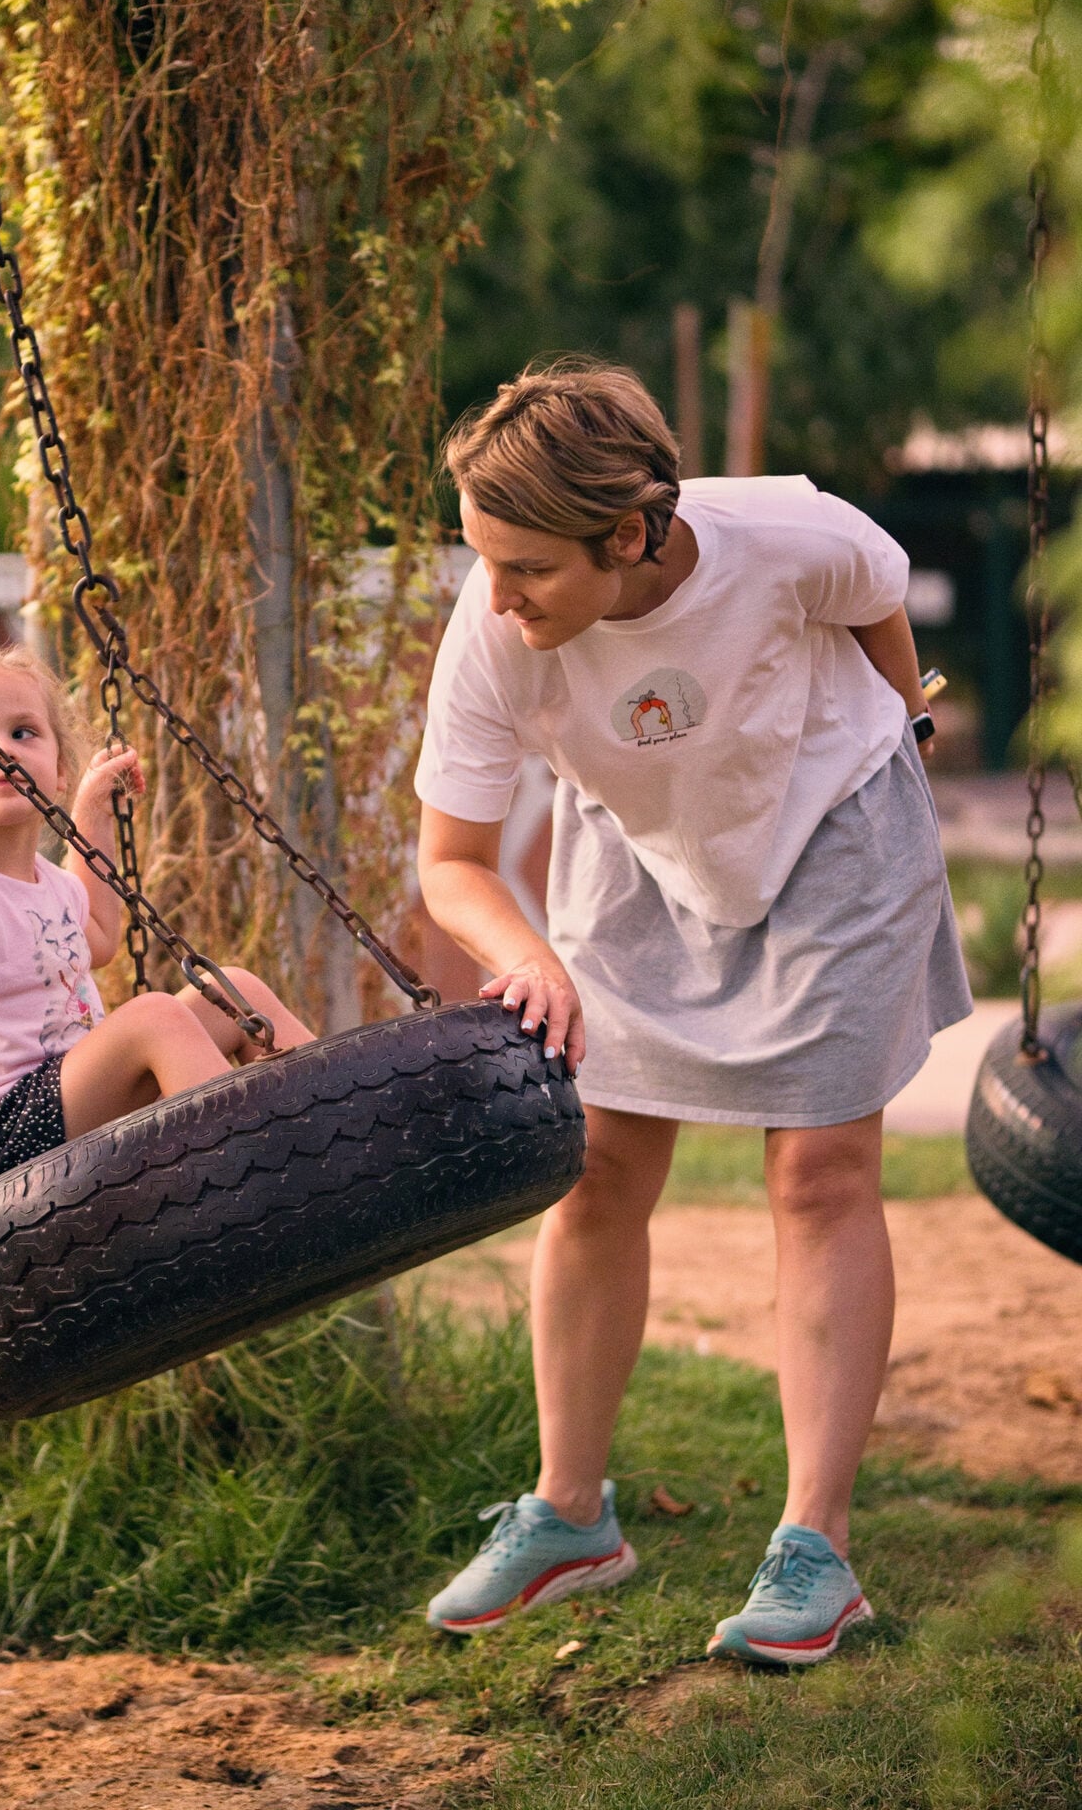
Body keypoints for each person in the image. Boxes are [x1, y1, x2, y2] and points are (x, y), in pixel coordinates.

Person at [414, 358, 970, 1666]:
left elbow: (879, 593)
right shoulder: (496, 626)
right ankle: (568, 1515)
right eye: (483, 561)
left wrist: (900, 730)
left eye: (528, 568)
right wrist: (529, 957)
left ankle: (815, 1549)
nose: (496, 595)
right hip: (639, 854)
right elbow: (452, 861)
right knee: (596, 1168)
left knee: (820, 1173)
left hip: (835, 830)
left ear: (629, 534)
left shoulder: (783, 538)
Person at [0, 642, 313, 1206]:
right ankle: (253, 1180)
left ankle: (337, 1129)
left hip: (66, 1101)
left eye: (23, 732)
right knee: (155, 1017)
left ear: (60, 768)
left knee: (234, 989)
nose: (1, 748)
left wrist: (92, 810)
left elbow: (97, 936)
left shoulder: (48, 882)